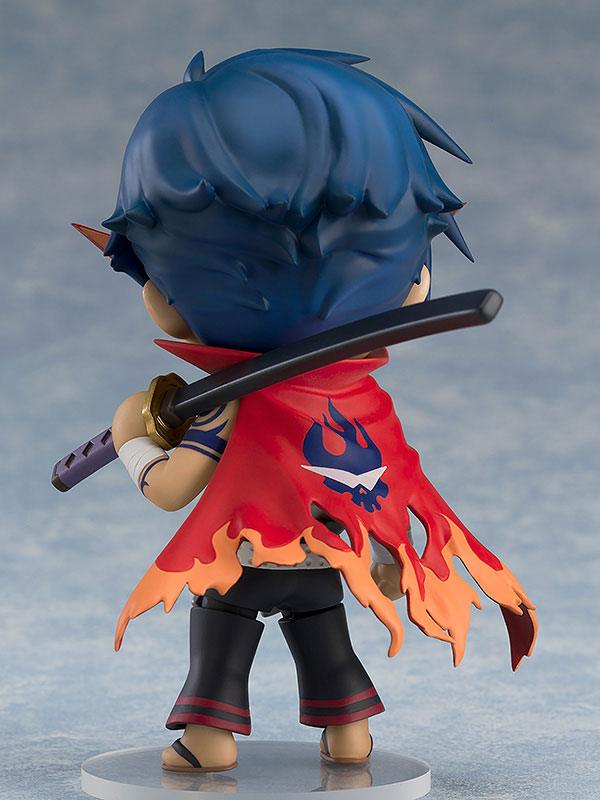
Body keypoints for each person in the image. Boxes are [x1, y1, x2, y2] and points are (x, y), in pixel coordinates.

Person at [89, 48, 537, 773]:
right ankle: (350, 733)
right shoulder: (363, 402)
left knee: (220, 631)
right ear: (416, 284)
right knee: (325, 636)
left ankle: (208, 736)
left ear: (163, 299)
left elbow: (170, 490)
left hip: (243, 559)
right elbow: (387, 481)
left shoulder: (228, 406)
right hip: (331, 560)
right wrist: (389, 558)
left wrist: (128, 439)